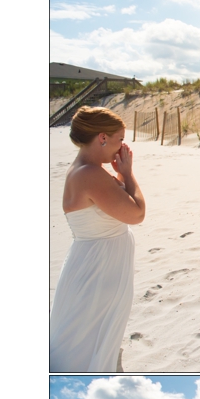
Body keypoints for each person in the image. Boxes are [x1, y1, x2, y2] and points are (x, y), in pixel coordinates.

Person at [50, 107, 146, 372]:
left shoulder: (86, 170)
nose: (122, 147)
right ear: (102, 138)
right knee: (83, 339)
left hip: (97, 264)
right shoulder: (89, 174)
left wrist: (119, 175)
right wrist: (127, 174)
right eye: (119, 140)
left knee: (85, 332)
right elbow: (136, 213)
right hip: (98, 270)